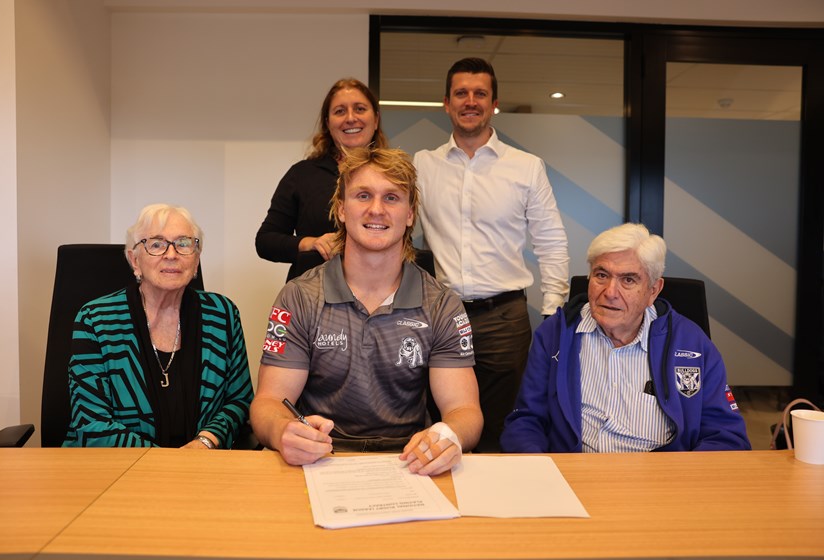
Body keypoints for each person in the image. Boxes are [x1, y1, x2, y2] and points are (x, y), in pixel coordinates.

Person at [251, 147, 483, 476]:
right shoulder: (298, 297)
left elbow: (465, 410)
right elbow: (269, 402)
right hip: (319, 458)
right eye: (363, 195)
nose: (377, 210)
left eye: (392, 198)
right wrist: (282, 431)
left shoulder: (441, 304)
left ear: (411, 214)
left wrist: (447, 436)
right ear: (342, 209)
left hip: (410, 460)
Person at [414, 57, 569, 452]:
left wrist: (554, 313)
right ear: (446, 103)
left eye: (480, 93)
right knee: (442, 424)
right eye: (461, 93)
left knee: (503, 429)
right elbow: (400, 234)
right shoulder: (422, 166)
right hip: (441, 316)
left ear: (493, 103)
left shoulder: (526, 168)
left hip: (505, 319)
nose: (471, 101)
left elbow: (550, 240)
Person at [501, 223, 751, 453]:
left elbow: (727, 436)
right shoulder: (555, 334)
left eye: (628, 280)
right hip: (576, 478)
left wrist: (680, 483)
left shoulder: (691, 344)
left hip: (661, 483)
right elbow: (525, 420)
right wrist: (545, 475)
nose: (610, 292)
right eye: (601, 275)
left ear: (653, 290)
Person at [63, 203, 254, 448]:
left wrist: (205, 442)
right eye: (156, 244)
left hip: (203, 467)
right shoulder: (96, 319)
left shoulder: (223, 314)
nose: (171, 254)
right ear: (134, 260)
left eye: (184, 243)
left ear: (196, 260)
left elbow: (239, 401)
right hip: (115, 472)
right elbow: (91, 423)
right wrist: (167, 464)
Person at [255, 78, 389, 280]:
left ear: (376, 119)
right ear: (328, 123)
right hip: (312, 296)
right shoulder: (301, 174)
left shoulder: (394, 176)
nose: (350, 118)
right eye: (340, 111)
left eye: (360, 109)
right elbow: (265, 242)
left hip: (381, 291)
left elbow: (404, 239)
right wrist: (310, 243)